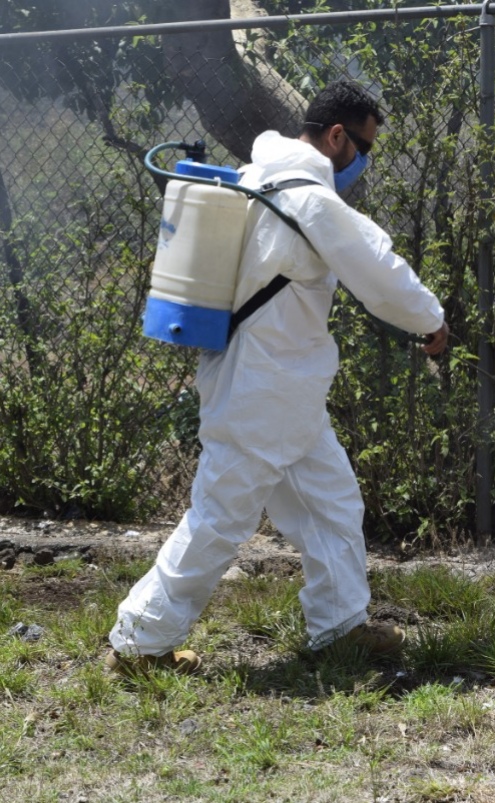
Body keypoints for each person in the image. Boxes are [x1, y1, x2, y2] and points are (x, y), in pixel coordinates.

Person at [106, 80, 448, 676]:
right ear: (336, 136)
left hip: (282, 386)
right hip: (262, 387)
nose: (362, 162)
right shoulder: (311, 201)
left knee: (332, 504)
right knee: (220, 517)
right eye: (362, 147)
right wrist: (432, 320)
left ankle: (340, 627)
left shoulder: (254, 178)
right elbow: (378, 268)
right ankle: (140, 642)